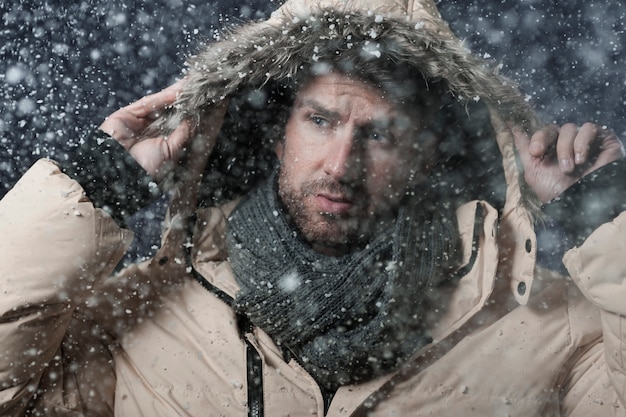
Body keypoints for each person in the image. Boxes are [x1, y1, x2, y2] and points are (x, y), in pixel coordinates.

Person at [1, 0, 626, 416]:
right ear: (278, 132)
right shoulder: (138, 318)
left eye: (378, 134)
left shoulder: (545, 326)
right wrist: (101, 181)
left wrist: (608, 213)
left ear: (422, 156)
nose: (339, 164)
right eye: (321, 120)